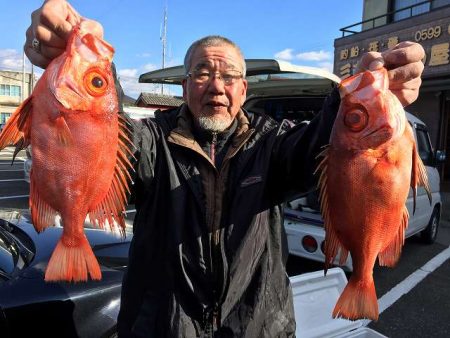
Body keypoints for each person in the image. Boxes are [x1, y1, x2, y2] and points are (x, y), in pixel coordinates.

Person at [25, 1, 425, 337]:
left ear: (243, 90)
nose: (216, 85)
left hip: (258, 327)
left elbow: (328, 145)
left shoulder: (274, 143)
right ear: (184, 87)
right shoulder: (151, 141)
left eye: (230, 76)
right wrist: (85, 63)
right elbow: (104, 132)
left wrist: (361, 100)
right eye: (202, 73)